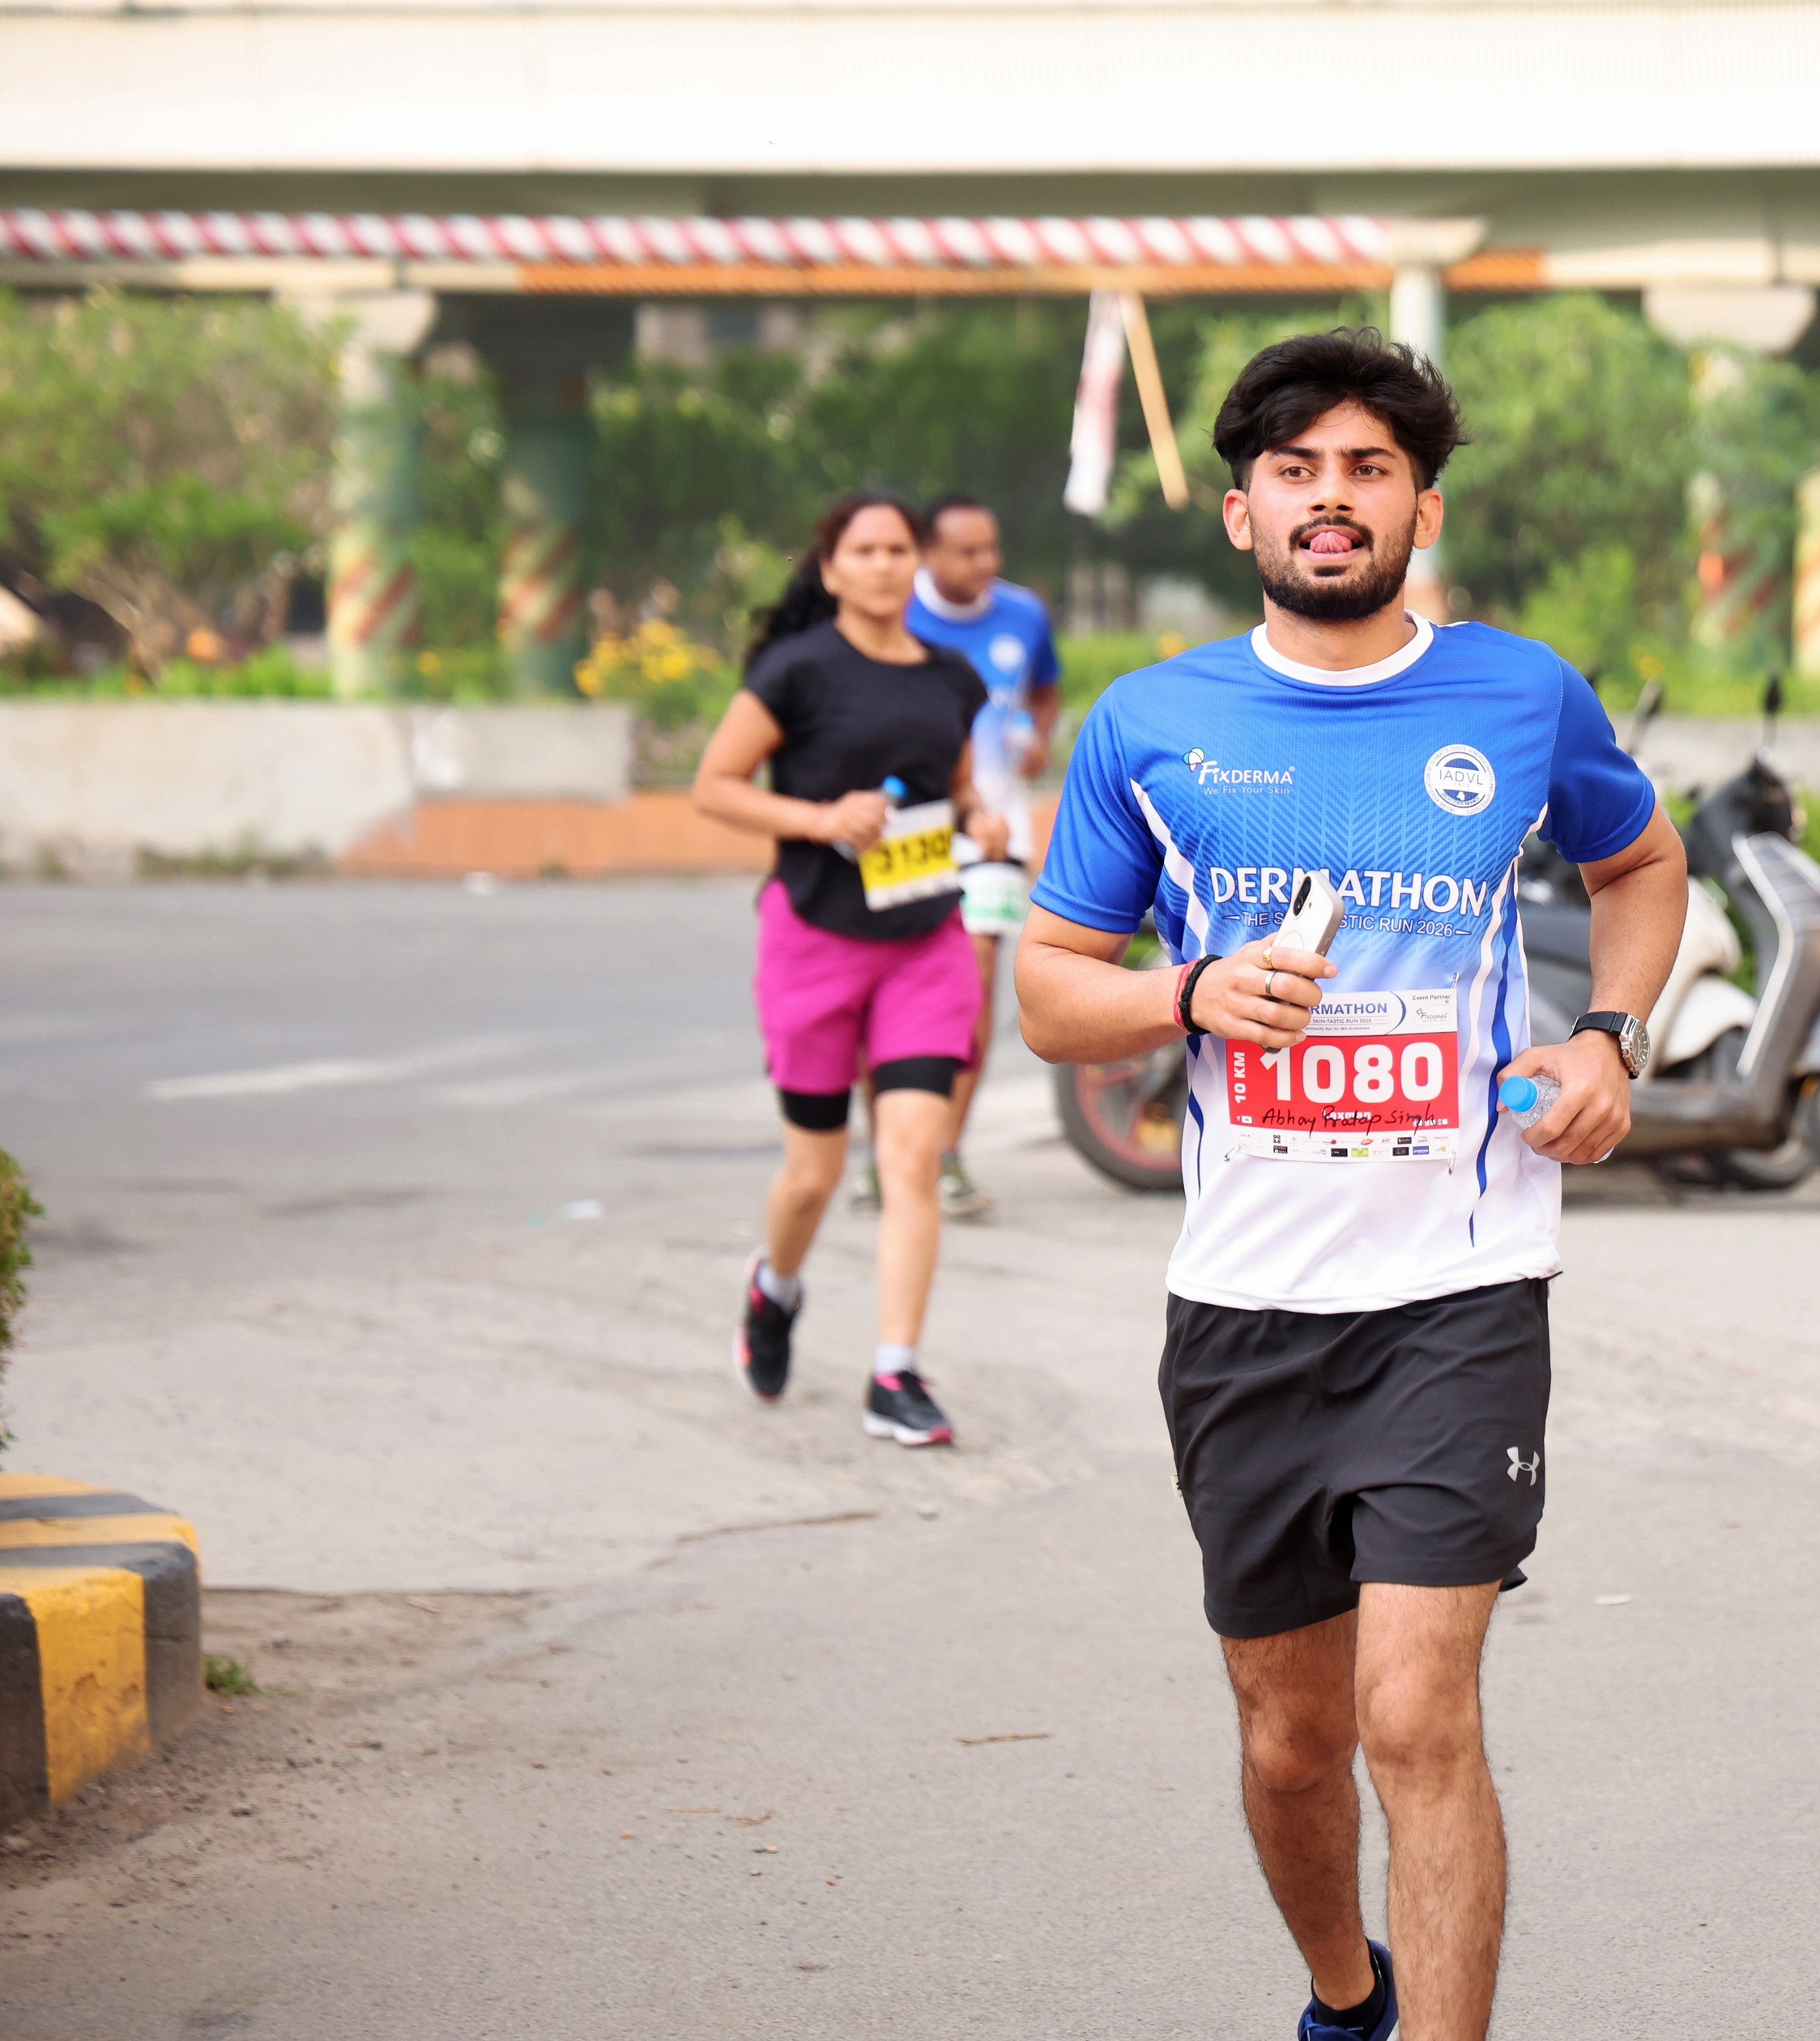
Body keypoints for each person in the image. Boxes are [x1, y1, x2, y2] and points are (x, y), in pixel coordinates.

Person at [1015, 331, 1684, 2041]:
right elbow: (1048, 993)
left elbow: (1641, 861)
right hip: (1247, 1305)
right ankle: (1344, 1993)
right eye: (1297, 471)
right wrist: (1187, 993)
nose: (1334, 499)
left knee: (1414, 1716)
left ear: (1422, 510)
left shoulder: (1520, 695)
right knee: (1292, 1739)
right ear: (1242, 513)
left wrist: (1608, 1039)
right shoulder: (1151, 723)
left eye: (1370, 470)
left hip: (1460, 1288)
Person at [691, 490, 1008, 1448]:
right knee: (813, 1175)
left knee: (911, 1157)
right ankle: (775, 1285)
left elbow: (957, 789)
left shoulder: (950, 678)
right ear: (831, 570)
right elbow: (714, 786)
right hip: (815, 940)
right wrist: (822, 819)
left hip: (925, 941)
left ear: (917, 563)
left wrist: (981, 819)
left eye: (896, 549)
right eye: (862, 550)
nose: (881, 564)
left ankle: (894, 1372)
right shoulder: (796, 672)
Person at [900, 495, 1063, 1221]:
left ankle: (944, 1154)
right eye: (967, 552)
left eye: (992, 548)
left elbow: (1046, 691)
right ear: (928, 554)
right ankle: (890, 1151)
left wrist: (1039, 736)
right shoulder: (896, 614)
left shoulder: (1023, 614)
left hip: (996, 829)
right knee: (896, 983)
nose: (986, 564)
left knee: (974, 981)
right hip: (906, 831)